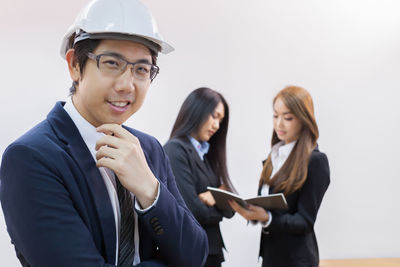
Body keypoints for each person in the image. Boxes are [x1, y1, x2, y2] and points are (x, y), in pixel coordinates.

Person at [0, 0, 208, 266]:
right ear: (75, 64)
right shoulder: (31, 158)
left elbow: (195, 255)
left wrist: (149, 190)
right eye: (111, 63)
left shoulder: (149, 149)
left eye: (141, 69)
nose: (127, 85)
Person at [229, 86, 330, 267]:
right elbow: (271, 209)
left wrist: (267, 218)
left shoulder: (315, 161)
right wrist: (250, 212)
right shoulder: (274, 156)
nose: (279, 124)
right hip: (271, 257)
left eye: (288, 118)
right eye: (275, 116)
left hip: (296, 260)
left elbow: (305, 221)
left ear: (304, 119)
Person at [163, 87, 235, 267]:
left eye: (221, 120)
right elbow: (193, 210)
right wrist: (220, 199)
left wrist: (215, 198)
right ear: (197, 110)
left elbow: (232, 209)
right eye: (214, 116)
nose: (217, 125)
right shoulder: (175, 150)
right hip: (192, 252)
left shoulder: (206, 154)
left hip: (212, 250)